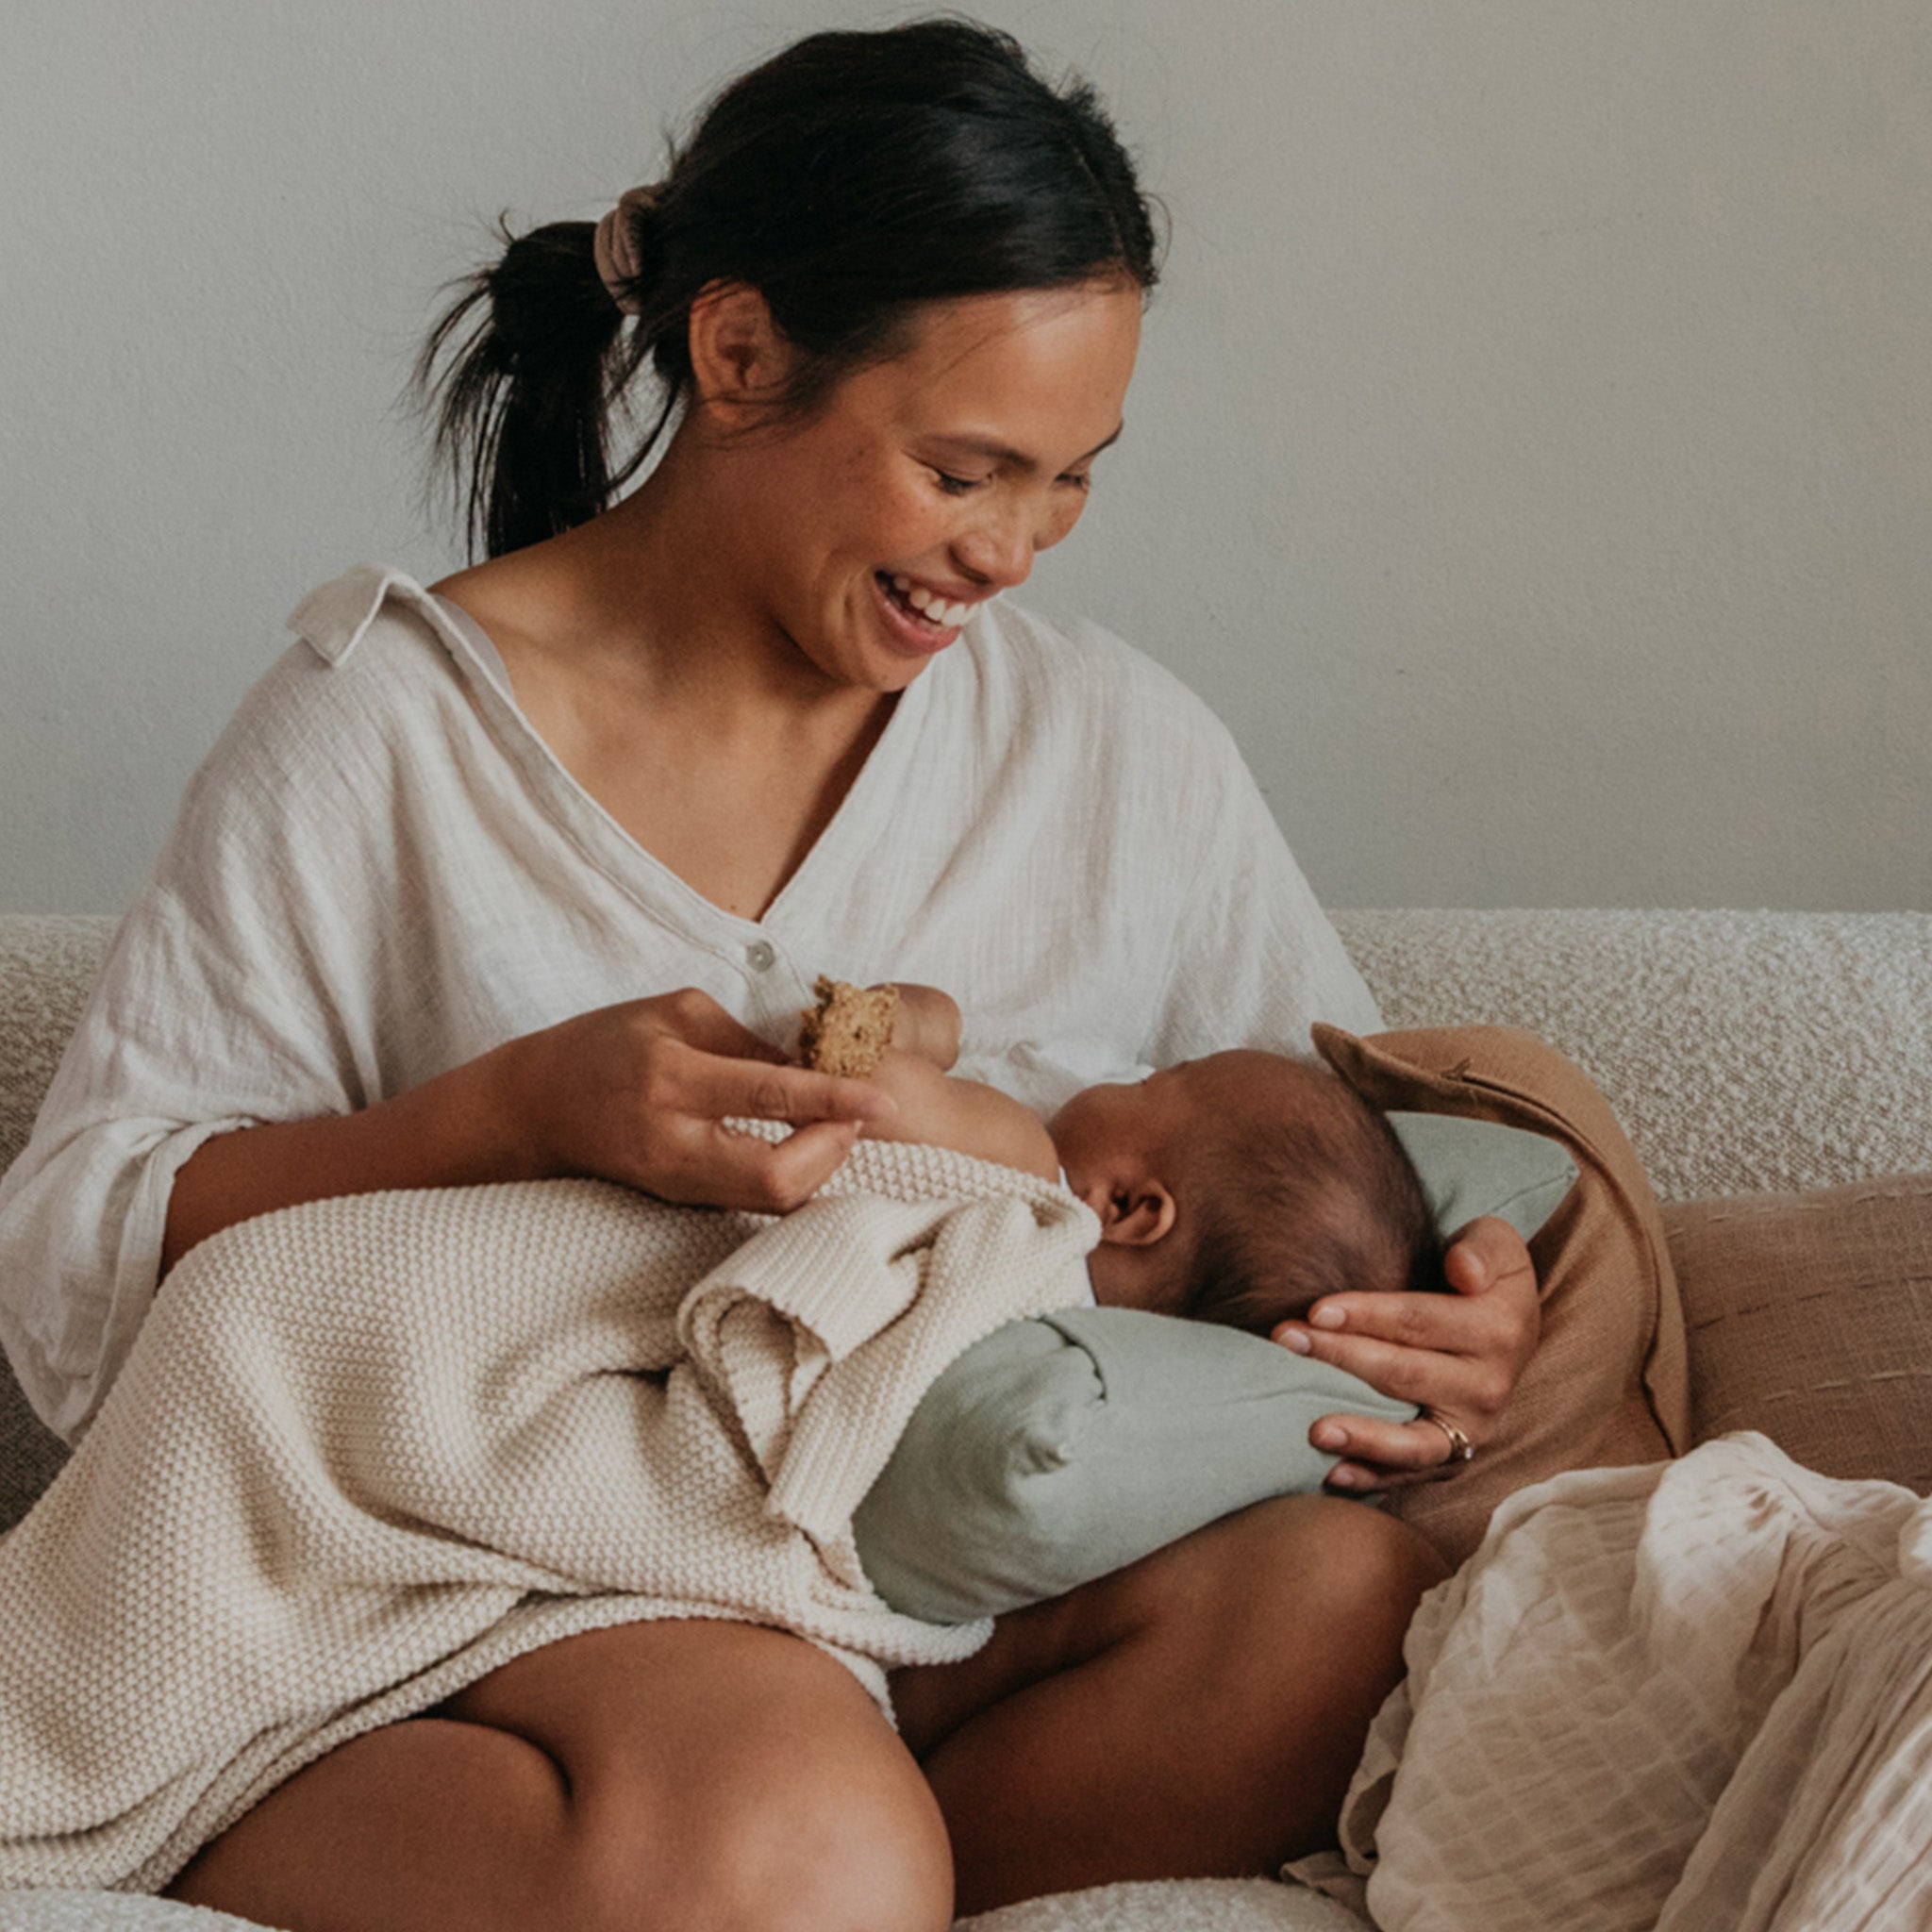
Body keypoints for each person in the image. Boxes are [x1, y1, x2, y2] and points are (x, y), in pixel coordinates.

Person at [0, 20, 1541, 1929]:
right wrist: (507, 1114)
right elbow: (77, 1255)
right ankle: (423, 1829)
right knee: (793, 1835)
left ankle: (789, 1872)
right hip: (518, 1574)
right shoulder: (381, 731)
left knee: (1338, 1606)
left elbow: (1319, 1142)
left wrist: (1443, 1313)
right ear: (735, 355)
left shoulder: (1117, 752)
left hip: (918, 1572)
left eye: (1070, 482)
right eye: (967, 467)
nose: (1014, 552)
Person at [848, 982, 1445, 1336]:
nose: (1133, 1070)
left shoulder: (1025, 1168)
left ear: (1126, 1207)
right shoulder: (1083, 1349)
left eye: (1156, 1080)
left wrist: (927, 1020)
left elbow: (855, 1078)